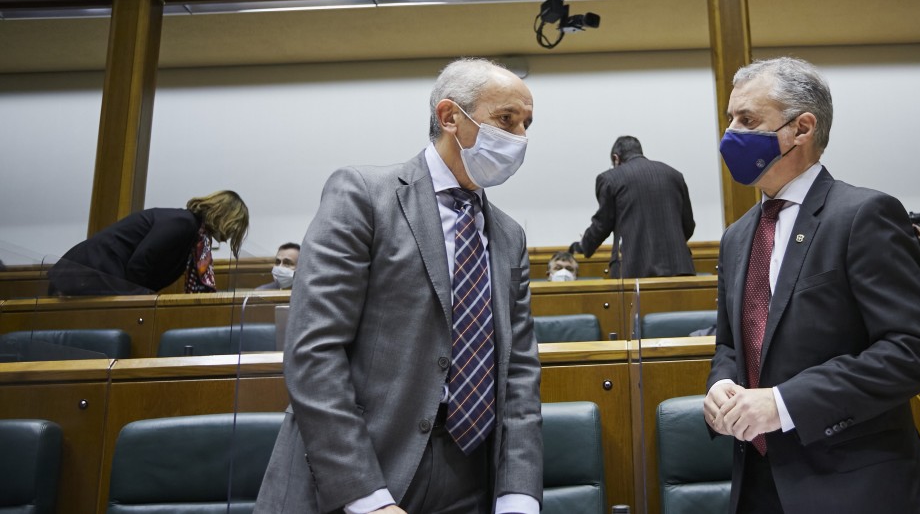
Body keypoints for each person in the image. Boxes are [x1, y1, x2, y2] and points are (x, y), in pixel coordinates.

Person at [256, 58, 542, 514]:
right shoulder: (363, 196)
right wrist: (365, 497)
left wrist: (518, 494)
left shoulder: (509, 235)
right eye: (506, 120)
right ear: (450, 117)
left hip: (470, 474)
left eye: (526, 124)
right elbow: (314, 351)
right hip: (363, 468)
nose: (520, 138)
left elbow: (519, 373)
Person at [704, 57, 920, 513]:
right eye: (730, 119)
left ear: (802, 128)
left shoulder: (863, 215)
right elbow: (730, 345)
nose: (729, 134)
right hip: (757, 486)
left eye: (747, 120)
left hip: (856, 486)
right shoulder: (737, 237)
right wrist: (721, 385)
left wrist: (784, 403)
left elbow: (916, 350)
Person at [47, 191, 249, 296]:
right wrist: (144, 301)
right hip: (90, 273)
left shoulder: (191, 233)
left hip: (97, 275)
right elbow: (140, 263)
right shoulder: (184, 223)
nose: (233, 234)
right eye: (235, 226)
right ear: (226, 217)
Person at [569, 136, 696, 279]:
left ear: (616, 158)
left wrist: (583, 246)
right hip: (680, 269)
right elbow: (688, 226)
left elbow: (602, 225)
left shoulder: (610, 179)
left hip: (633, 270)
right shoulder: (675, 175)